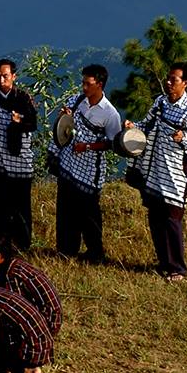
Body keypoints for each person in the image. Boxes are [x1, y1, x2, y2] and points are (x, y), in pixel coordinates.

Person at [125, 62, 187, 282]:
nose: (169, 82)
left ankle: (178, 269)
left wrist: (185, 138)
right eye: (169, 78)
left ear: (185, 83)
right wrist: (132, 126)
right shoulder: (161, 102)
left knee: (172, 220)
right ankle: (164, 263)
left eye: (174, 79)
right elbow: (146, 124)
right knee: (155, 218)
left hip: (176, 174)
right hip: (154, 169)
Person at [48, 64, 122, 263]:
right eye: (83, 83)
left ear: (99, 84)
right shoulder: (76, 100)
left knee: (89, 216)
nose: (84, 87)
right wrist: (65, 117)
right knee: (65, 212)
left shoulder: (110, 113)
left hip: (90, 172)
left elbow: (113, 143)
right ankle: (66, 250)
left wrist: (88, 146)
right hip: (68, 165)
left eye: (88, 84)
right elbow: (63, 127)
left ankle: (95, 253)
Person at [0, 59, 38, 250]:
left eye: (5, 76)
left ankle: (22, 244)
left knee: (21, 209)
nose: (1, 80)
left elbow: (33, 124)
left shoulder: (23, 99)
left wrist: (19, 122)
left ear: (13, 76)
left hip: (20, 164)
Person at [0, 232, 62, 337]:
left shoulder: (11, 275)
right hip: (50, 318)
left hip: (46, 324)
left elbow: (15, 308)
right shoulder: (16, 264)